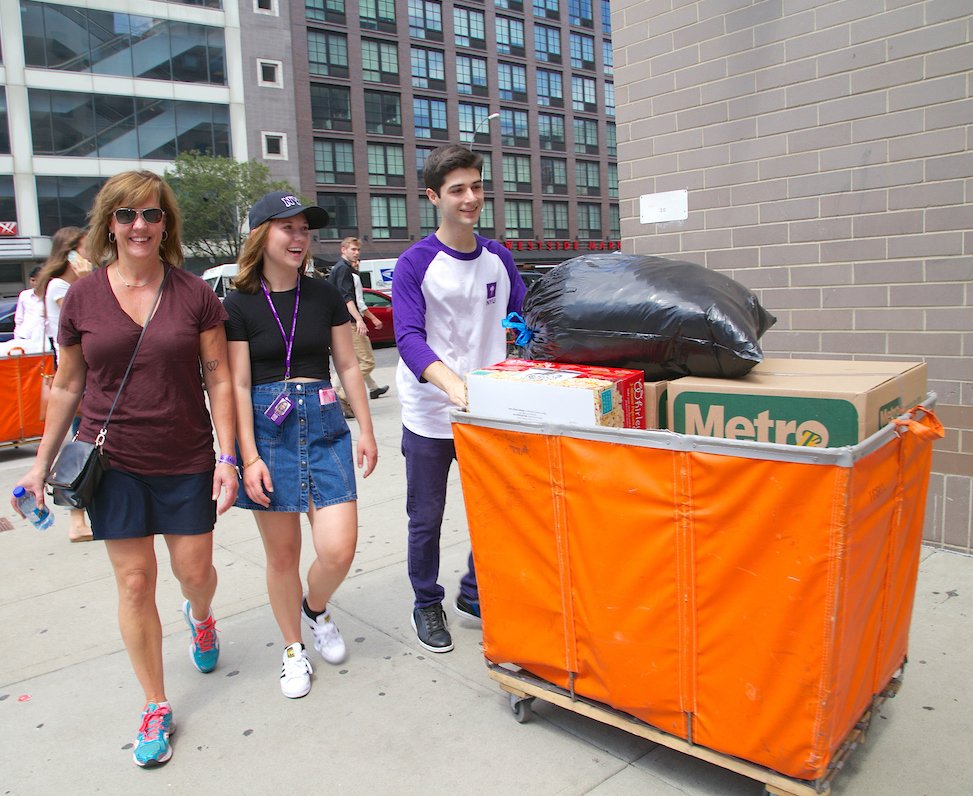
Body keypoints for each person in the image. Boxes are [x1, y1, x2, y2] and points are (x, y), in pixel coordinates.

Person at [10, 170, 238, 769]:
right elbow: (66, 384)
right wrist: (39, 467)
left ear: (166, 224)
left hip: (185, 454)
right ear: (109, 223)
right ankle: (156, 703)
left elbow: (218, 378)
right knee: (135, 582)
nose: (140, 225)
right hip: (112, 463)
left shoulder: (195, 294)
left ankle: (201, 616)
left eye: (152, 214)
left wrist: (228, 455)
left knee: (195, 573)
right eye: (127, 215)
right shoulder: (82, 298)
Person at [224, 191, 377, 699]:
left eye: (304, 229)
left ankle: (314, 609)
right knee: (283, 554)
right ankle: (293, 647)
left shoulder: (323, 294)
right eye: (286, 227)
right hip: (268, 433)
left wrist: (368, 430)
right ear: (260, 236)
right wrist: (248, 457)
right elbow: (238, 386)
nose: (298, 237)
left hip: (327, 420)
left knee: (338, 548)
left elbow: (349, 364)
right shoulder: (238, 303)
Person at [394, 144, 526, 653]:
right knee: (425, 518)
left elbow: (523, 316)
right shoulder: (415, 264)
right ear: (433, 197)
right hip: (430, 415)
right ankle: (426, 601)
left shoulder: (499, 257)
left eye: (476, 186)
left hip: (486, 413)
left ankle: (474, 592)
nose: (470, 198)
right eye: (457, 190)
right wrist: (451, 384)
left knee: (495, 511)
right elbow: (407, 337)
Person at [34, 229, 97, 542]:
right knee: (81, 443)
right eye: (84, 250)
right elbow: (88, 310)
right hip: (78, 375)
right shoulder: (62, 286)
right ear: (71, 253)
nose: (89, 256)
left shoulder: (64, 285)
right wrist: (87, 279)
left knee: (82, 441)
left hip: (81, 373)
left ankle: (79, 515)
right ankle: (76, 516)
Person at [327, 237, 389, 417]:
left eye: (358, 250)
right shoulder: (344, 271)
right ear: (343, 249)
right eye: (353, 249)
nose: (356, 253)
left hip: (340, 323)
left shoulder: (341, 269)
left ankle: (353, 395)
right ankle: (341, 395)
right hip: (348, 323)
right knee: (367, 362)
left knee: (352, 362)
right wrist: (359, 320)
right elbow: (347, 298)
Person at [13, 266, 45, 345]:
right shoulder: (24, 295)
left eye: (39, 280)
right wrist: (17, 337)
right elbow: (19, 318)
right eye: (33, 280)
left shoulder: (49, 296)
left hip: (44, 339)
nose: (36, 283)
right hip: (25, 336)